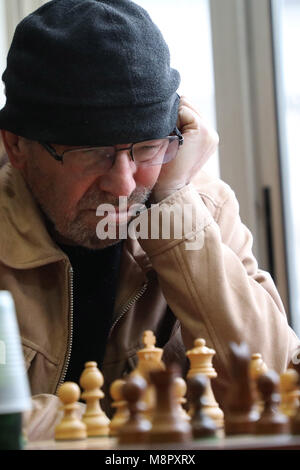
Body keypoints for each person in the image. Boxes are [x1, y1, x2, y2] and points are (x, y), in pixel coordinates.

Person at [0, 0, 299, 441]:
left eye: (146, 147)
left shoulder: (204, 211)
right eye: (92, 152)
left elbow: (272, 387)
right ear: (17, 147)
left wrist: (174, 209)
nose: (123, 185)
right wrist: (146, 422)